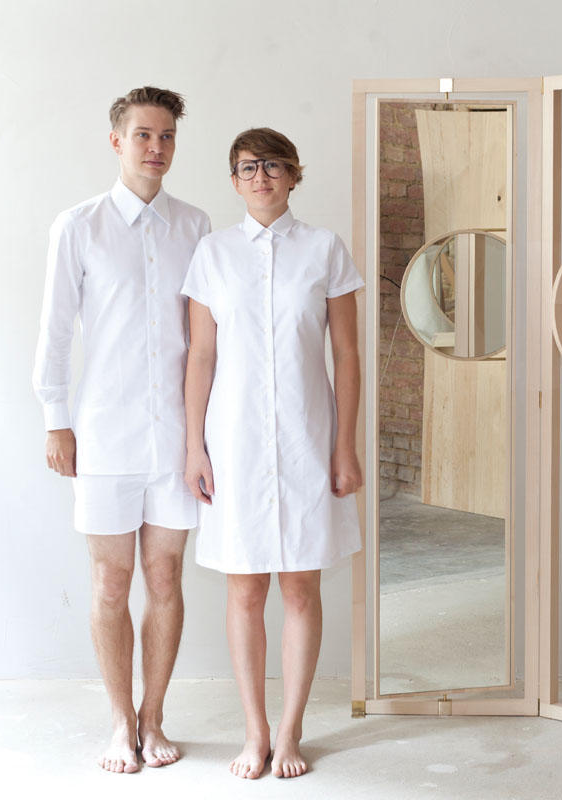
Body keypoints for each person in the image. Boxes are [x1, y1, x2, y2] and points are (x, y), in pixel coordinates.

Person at [32, 86, 211, 774]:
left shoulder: (194, 226)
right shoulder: (78, 226)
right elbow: (55, 332)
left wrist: (205, 435)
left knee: (165, 576)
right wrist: (57, 420)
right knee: (111, 582)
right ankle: (118, 722)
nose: (156, 148)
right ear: (117, 141)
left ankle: (153, 716)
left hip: (177, 439)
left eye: (166, 136)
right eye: (143, 135)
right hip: (104, 435)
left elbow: (206, 339)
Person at [181, 127, 364, 779]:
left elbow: (346, 354)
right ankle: (254, 731)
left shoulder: (325, 249)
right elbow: (201, 356)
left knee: (301, 587)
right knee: (244, 586)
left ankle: (290, 732)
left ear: (293, 174)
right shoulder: (213, 254)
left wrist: (344, 446)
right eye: (247, 167)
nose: (260, 176)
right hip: (234, 443)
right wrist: (194, 447)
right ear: (234, 180)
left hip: (307, 439)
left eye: (273, 165)